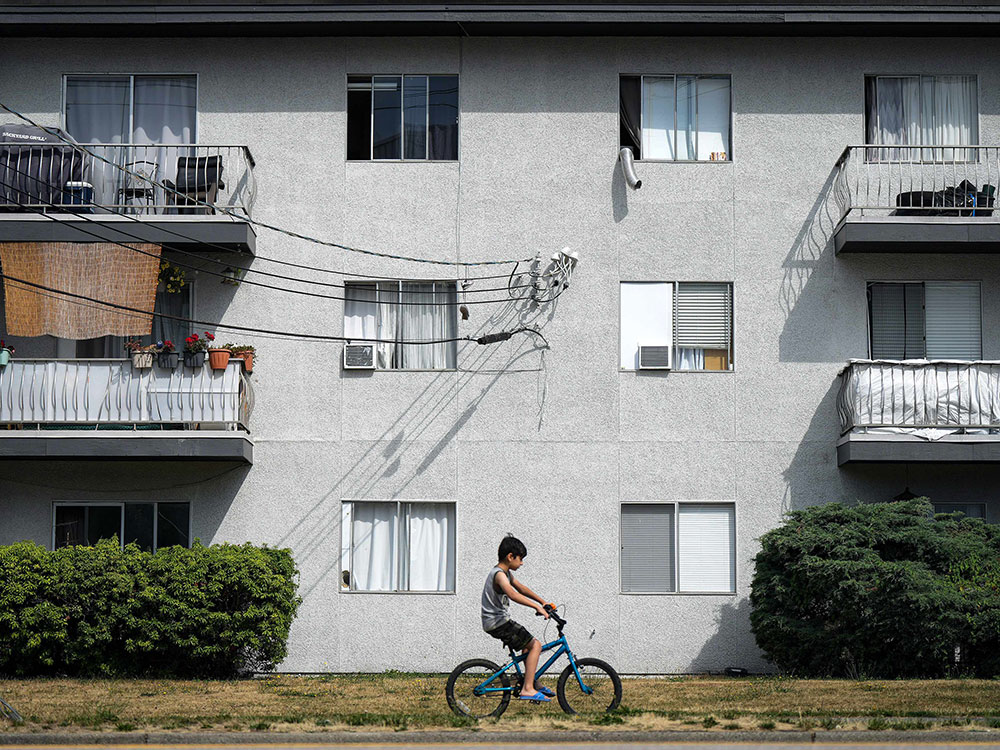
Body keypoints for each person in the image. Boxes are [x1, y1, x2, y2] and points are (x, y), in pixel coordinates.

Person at [481, 534, 555, 702]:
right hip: (498, 623)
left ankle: (531, 681)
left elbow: (521, 588)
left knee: (527, 647)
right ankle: (527, 689)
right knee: (536, 645)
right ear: (510, 557)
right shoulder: (499, 575)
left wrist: (542, 601)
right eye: (520, 559)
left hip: (497, 622)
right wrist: (536, 607)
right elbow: (513, 594)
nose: (521, 563)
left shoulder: (506, 574)